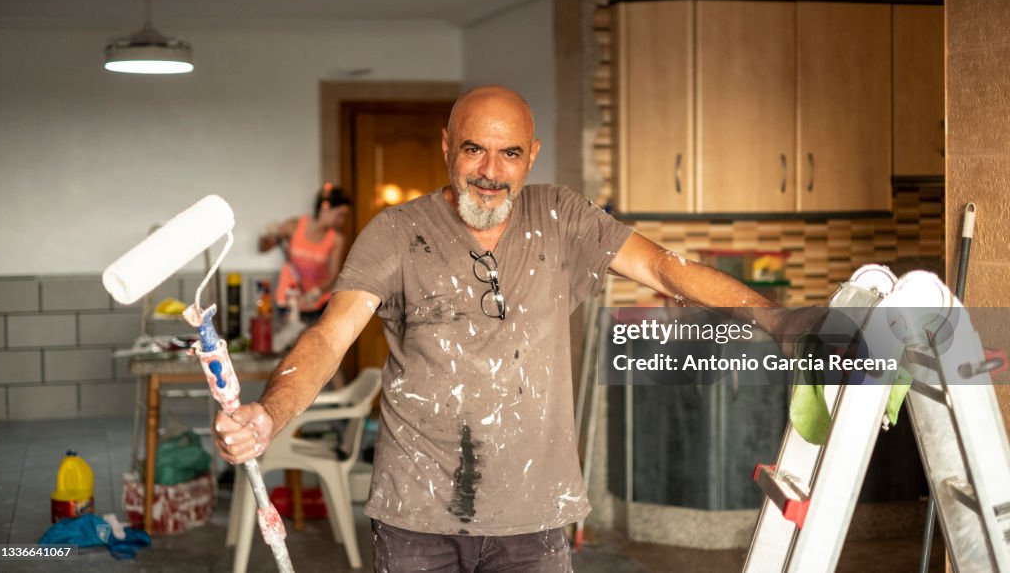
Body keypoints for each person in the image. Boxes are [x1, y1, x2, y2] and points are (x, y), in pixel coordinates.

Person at [215, 86, 812, 572]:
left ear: (533, 154)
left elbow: (664, 268)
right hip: (416, 514)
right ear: (446, 146)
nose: (490, 172)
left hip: (533, 514)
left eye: (510, 154)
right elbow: (330, 336)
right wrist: (270, 413)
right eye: (473, 150)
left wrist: (777, 319)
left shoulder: (562, 217)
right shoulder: (395, 233)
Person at [258, 183, 351, 325]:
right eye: (339, 215)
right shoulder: (294, 226)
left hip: (317, 304)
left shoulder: (337, 239)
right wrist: (269, 234)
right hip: (289, 300)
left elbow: (333, 275)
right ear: (325, 208)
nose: (342, 221)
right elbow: (263, 248)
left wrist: (316, 292)